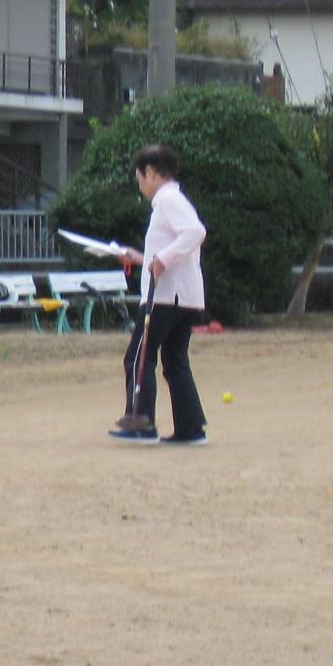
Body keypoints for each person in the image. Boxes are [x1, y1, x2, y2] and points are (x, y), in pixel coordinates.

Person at [110, 144, 209, 447]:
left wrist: (162, 259)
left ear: (151, 173)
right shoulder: (172, 202)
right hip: (184, 296)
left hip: (166, 297)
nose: (140, 184)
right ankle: (190, 428)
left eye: (140, 177)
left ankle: (141, 423)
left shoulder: (168, 200)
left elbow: (195, 232)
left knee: (139, 356)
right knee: (174, 359)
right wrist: (143, 258)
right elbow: (175, 245)